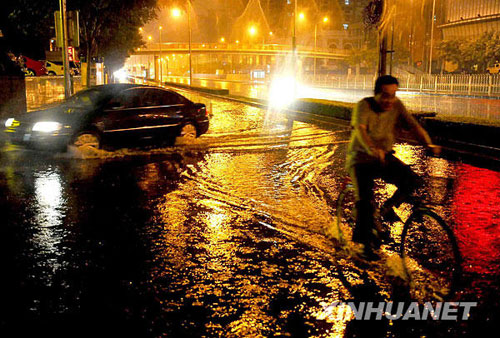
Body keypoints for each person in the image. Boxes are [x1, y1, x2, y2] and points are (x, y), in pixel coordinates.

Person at [346, 75, 440, 258]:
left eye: (393, 95)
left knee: (412, 180)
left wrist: (428, 144)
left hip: (384, 157)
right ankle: (364, 247)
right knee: (365, 202)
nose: (389, 100)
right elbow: (361, 130)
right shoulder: (363, 106)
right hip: (361, 159)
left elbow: (414, 126)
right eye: (385, 95)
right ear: (376, 94)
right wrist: (372, 149)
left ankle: (387, 208)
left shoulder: (396, 106)